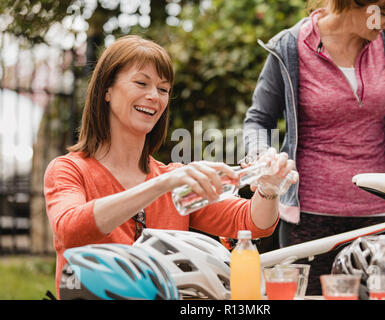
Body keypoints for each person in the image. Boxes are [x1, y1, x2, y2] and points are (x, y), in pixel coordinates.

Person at [44, 35, 296, 298]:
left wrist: (268, 190)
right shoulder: (69, 170)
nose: (154, 96)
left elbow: (252, 222)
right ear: (106, 90)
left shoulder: (173, 178)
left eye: (163, 90)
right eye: (141, 83)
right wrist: (161, 184)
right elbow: (70, 230)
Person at [243, 0, 385, 295]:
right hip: (311, 218)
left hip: (381, 214)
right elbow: (258, 119)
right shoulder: (291, 47)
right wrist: (262, 157)